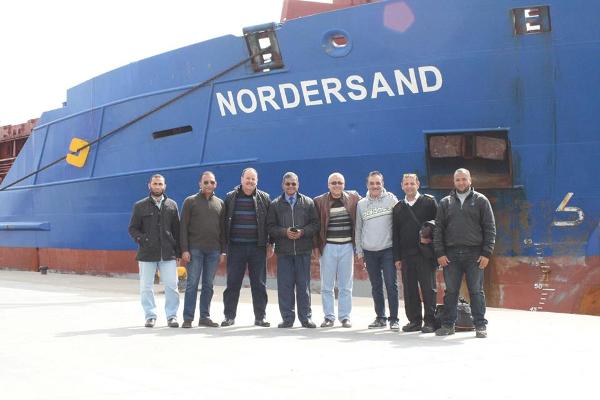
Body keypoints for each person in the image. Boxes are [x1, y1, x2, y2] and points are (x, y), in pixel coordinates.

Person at [434, 168, 496, 338]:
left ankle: (480, 325)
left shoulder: (481, 201)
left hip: (474, 254)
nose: (461, 182)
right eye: (458, 180)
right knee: (451, 291)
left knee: (476, 291)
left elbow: (490, 228)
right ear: (454, 182)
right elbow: (438, 230)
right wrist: (440, 253)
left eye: (464, 179)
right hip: (451, 254)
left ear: (470, 180)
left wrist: (486, 253)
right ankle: (448, 325)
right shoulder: (445, 203)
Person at [221, 168, 273, 327]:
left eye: (253, 179)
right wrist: (224, 248)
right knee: (232, 283)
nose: (250, 181)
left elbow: (270, 224)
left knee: (259, 284)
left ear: (257, 181)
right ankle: (229, 316)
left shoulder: (265, 198)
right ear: (241, 179)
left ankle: (260, 317)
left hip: (258, 247)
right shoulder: (230, 197)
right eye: (248, 178)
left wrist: (271, 244)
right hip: (235, 247)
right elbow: (224, 224)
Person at [267, 172, 320, 328]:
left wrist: (302, 232)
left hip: (303, 251)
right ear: (283, 185)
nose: (291, 186)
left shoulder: (308, 203)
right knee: (285, 287)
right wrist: (285, 232)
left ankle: (306, 318)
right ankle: (287, 318)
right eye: (288, 184)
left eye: (293, 184)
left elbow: (315, 224)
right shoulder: (275, 205)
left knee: (304, 287)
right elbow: (270, 227)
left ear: (298, 185)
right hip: (284, 252)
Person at [128, 174, 181, 328]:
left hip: (168, 253)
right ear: (149, 185)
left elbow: (177, 231)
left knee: (172, 286)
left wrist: (178, 253)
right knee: (146, 287)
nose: (158, 186)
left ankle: (172, 316)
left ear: (165, 186)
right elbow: (133, 228)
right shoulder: (140, 206)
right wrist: (144, 239)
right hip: (147, 253)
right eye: (155, 184)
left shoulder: (172, 205)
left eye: (160, 184)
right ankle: (150, 316)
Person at [313, 172, 361, 328]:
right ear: (328, 185)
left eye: (340, 182)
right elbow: (315, 227)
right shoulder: (319, 201)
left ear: (344, 184)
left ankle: (345, 317)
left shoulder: (353, 198)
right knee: (327, 285)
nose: (337, 185)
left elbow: (369, 201)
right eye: (333, 183)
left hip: (347, 247)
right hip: (328, 248)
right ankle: (329, 317)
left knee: (346, 285)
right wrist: (315, 246)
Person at [392, 173, 438, 333]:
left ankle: (430, 321)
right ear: (402, 186)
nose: (409, 186)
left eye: (412, 183)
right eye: (406, 184)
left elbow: (439, 225)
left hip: (426, 254)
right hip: (406, 255)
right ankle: (414, 321)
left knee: (428, 289)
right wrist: (397, 257)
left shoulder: (429, 202)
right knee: (410, 290)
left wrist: (435, 248)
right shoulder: (398, 207)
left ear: (418, 184)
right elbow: (395, 234)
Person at [355, 171, 400, 330]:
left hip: (388, 250)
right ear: (367, 185)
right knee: (376, 286)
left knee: (391, 285)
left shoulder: (391, 200)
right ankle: (380, 318)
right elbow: (358, 229)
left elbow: (400, 223)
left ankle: (394, 319)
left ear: (382, 184)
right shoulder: (361, 204)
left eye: (378, 183)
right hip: (369, 252)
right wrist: (359, 252)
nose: (375, 186)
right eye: (372, 183)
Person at [180, 171, 225, 329]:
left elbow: (223, 230)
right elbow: (183, 227)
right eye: (206, 182)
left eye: (212, 182)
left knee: (208, 285)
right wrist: (184, 249)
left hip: (214, 251)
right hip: (195, 250)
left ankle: (205, 317)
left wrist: (223, 251)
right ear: (200, 184)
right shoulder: (190, 201)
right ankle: (188, 318)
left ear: (215, 184)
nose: (209, 185)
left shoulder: (220, 203)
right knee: (192, 284)